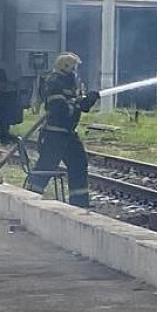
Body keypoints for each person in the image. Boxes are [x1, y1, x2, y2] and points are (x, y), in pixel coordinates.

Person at [29, 52, 99, 207]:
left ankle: (80, 203)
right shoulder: (54, 82)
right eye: (74, 67)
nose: (76, 70)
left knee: (79, 164)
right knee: (45, 168)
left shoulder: (71, 82)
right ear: (65, 66)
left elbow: (76, 102)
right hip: (54, 135)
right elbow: (59, 109)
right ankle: (28, 199)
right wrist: (78, 105)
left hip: (68, 134)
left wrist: (87, 101)